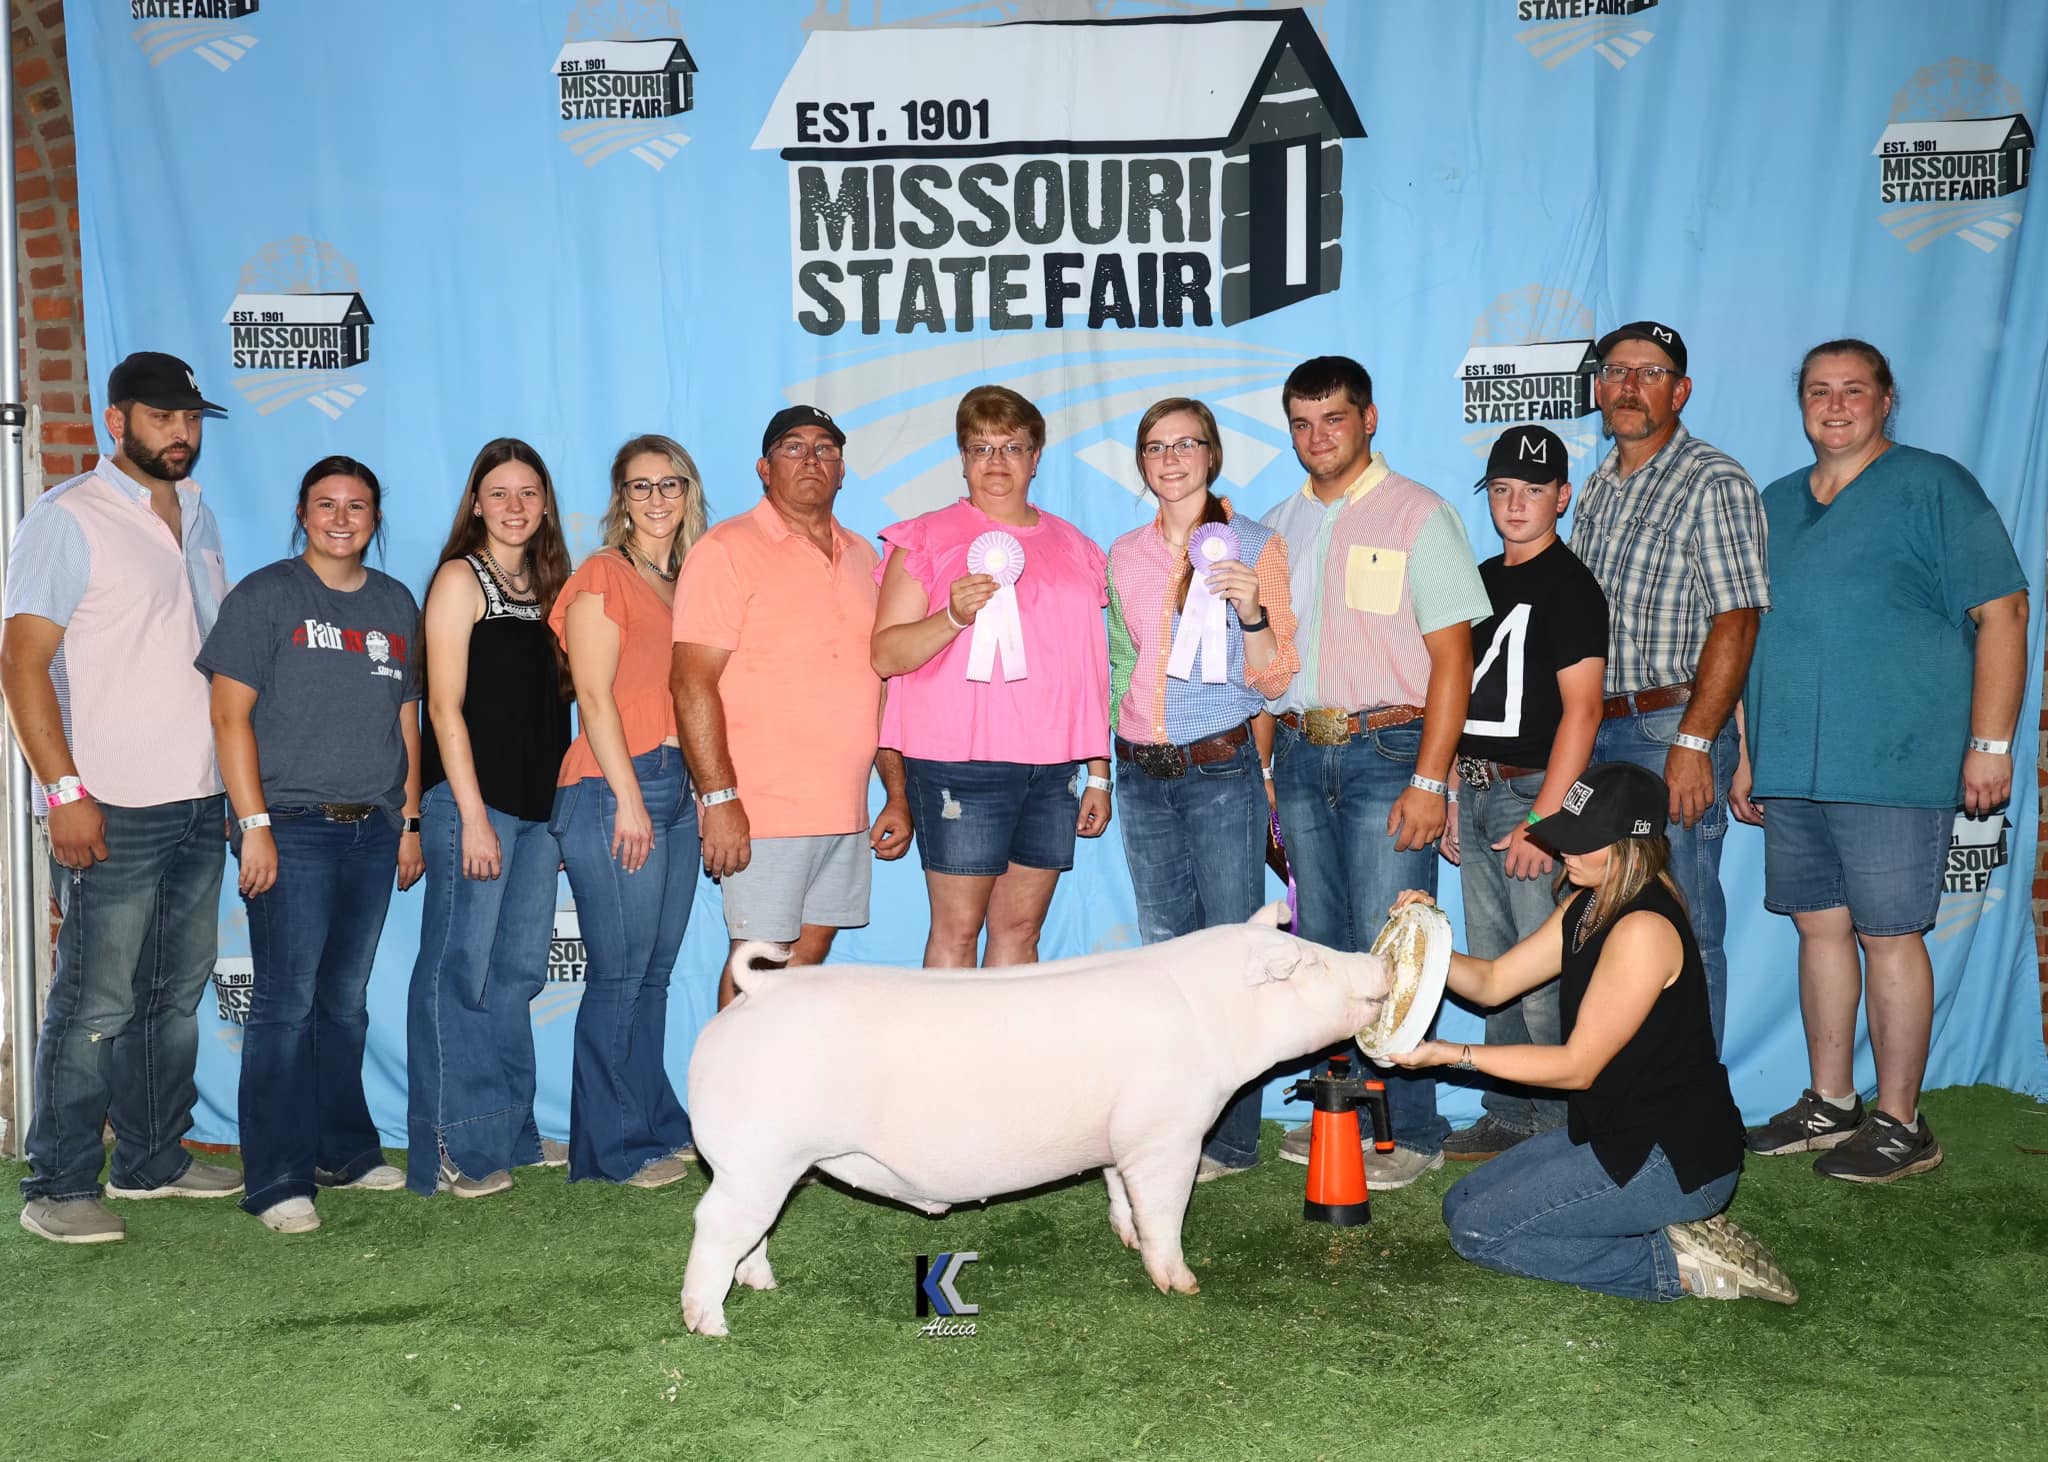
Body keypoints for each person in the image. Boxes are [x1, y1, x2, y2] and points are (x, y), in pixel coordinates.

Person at [1734, 339, 2027, 1183]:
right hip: (1792, 761)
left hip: (1895, 761)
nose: (1835, 405)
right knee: (1818, 926)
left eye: (1853, 390)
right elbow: (1751, 636)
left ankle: (1903, 1121)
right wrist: (1751, 755)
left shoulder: (1935, 487)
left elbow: (2003, 611)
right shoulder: (1774, 502)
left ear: (1886, 399)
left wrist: (1989, 744)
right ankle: (1832, 1102)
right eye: (1818, 391)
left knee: (1890, 935)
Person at [1387, 762, 1795, 1304]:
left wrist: (1451, 1054)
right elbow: (1492, 981)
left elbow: (1578, 1065)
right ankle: (1668, 1226)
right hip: (1611, 1134)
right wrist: (1425, 935)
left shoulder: (1644, 929)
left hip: (1671, 1155)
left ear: (1634, 845)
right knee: (1459, 1206)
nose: (1565, 853)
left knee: (1479, 1232)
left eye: (1582, 842)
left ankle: (1676, 1264)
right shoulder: (1588, 902)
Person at [2, 352, 243, 1243]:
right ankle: (58, 1183)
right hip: (108, 803)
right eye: (161, 416)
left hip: (198, 796)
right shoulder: (69, 518)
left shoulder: (200, 514)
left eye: (190, 417)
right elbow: (20, 662)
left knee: (173, 994)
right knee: (94, 1001)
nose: (180, 431)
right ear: (117, 422)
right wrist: (63, 791)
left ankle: (152, 1157)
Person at [1263, 355, 1491, 1189]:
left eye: (1333, 419)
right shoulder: (1275, 525)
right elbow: (1267, 662)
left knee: (1394, 941)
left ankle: (1414, 1130)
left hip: (1388, 753)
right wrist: (1263, 771)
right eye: (1300, 423)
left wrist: (1433, 780)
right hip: (1296, 748)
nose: (1317, 437)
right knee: (1322, 946)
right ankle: (1344, 1113)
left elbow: (1453, 658)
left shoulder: (1418, 515)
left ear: (1369, 419)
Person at [198, 456, 425, 1234]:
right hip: (289, 827)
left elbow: (406, 720)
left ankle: (344, 1149)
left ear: (374, 517)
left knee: (345, 1003)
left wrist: (410, 819)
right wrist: (253, 824)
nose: (341, 517)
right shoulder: (265, 596)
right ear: (301, 512)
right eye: (326, 504)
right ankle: (275, 1177)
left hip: (373, 829)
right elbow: (229, 718)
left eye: (357, 505)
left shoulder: (396, 602)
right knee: (285, 1006)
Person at [1108, 397, 1298, 1179]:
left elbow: (1278, 678)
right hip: (1140, 772)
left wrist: (1251, 611)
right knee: (1164, 954)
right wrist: (1100, 760)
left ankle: (1232, 1138)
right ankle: (1173, 1126)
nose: (1171, 458)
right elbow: (1119, 662)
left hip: (1220, 767)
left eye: (1187, 443)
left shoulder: (1259, 546)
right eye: (1156, 446)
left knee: (1230, 950)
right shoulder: (1122, 553)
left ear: (1212, 455)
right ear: (1143, 463)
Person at [1569, 321, 1767, 1049]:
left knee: (1684, 920)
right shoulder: (1594, 488)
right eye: (1617, 371)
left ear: (1679, 391)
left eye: (1649, 373)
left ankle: (1694, 1121)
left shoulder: (1711, 478)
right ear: (1597, 388)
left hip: (1668, 728)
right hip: (1599, 729)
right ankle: (1629, 1095)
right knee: (1614, 917)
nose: (1629, 385)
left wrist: (1697, 739)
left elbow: (1737, 619)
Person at [673, 406, 911, 1003]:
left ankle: (780, 1095)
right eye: (793, 447)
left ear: (842, 470)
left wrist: (898, 795)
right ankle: (728, 1097)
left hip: (844, 808)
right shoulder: (725, 548)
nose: (812, 459)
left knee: (806, 965)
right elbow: (690, 682)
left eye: (826, 448)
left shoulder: (864, 557)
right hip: (762, 809)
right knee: (758, 965)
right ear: (763, 467)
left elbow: (878, 685)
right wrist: (720, 798)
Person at [870, 385, 1111, 968]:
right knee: (956, 932)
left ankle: (1009, 1060)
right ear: (962, 457)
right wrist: (951, 616)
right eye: (981, 448)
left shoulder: (1076, 547)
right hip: (959, 762)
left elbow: (1090, 667)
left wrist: (1098, 773)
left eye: (1012, 447)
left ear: (1035, 458)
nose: (996, 462)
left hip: (1053, 769)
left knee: (1020, 933)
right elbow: (886, 655)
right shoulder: (922, 538)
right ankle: (942, 1063)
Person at [405, 438, 574, 1198]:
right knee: (458, 973)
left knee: (515, 976)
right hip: (472, 805)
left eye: (528, 493)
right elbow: (442, 706)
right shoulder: (458, 579)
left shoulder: (552, 590)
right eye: (499, 493)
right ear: (476, 503)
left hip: (538, 813)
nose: (515, 507)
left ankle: (510, 1130)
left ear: (545, 505)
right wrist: (470, 814)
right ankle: (456, 1145)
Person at [1441, 425, 1607, 1161]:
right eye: (1502, 489)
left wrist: (1549, 821)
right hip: (1476, 788)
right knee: (1493, 964)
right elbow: (1457, 692)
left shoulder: (1572, 584)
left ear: (1561, 497)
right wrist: (1447, 786)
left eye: (1533, 490)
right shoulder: (1478, 580)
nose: (1516, 503)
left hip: (1531, 793)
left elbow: (1585, 709)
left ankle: (1571, 1127)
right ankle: (1511, 1112)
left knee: (1544, 972)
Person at [549, 435, 707, 1188]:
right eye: (639, 487)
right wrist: (630, 802)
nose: (655, 499)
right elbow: (595, 697)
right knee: (618, 975)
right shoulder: (601, 576)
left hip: (677, 780)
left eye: (668, 484)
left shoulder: (692, 580)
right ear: (620, 498)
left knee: (654, 973)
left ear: (688, 491)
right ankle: (611, 1148)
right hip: (616, 784)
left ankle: (651, 1119)